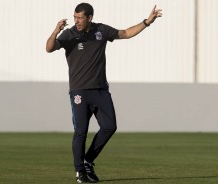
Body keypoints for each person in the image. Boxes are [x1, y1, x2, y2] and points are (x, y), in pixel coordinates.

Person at [46, 3, 162, 183]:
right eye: (75, 17)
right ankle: (80, 172)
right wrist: (55, 31)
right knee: (81, 131)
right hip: (79, 92)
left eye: (80, 18)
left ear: (89, 18)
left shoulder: (101, 30)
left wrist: (147, 22)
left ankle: (87, 160)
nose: (76, 21)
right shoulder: (69, 34)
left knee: (110, 126)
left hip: (100, 90)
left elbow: (125, 33)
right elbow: (49, 48)